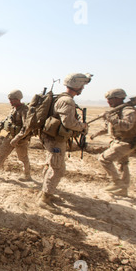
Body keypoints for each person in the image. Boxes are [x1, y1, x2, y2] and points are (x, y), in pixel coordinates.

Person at [38, 73, 91, 211]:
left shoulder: (60, 98)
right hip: (55, 140)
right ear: (77, 85)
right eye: (82, 86)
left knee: (52, 166)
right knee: (57, 169)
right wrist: (83, 127)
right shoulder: (67, 101)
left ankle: (45, 191)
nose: (82, 89)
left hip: (51, 138)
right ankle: (45, 198)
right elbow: (68, 122)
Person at [90, 89, 136, 197]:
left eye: (110, 99)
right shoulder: (116, 111)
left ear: (118, 98)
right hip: (119, 141)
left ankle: (117, 182)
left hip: (126, 143)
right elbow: (110, 128)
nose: (108, 102)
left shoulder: (128, 110)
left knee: (104, 159)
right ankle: (123, 189)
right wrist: (96, 134)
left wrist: (110, 118)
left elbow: (126, 126)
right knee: (123, 164)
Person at [0, 89, 31, 181]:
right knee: (2, 152)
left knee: (22, 157)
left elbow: (26, 127)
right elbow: (7, 121)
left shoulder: (24, 110)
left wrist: (17, 138)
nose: (10, 101)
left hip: (21, 139)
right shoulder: (13, 109)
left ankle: (27, 174)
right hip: (11, 136)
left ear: (18, 99)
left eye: (12, 99)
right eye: (9, 99)